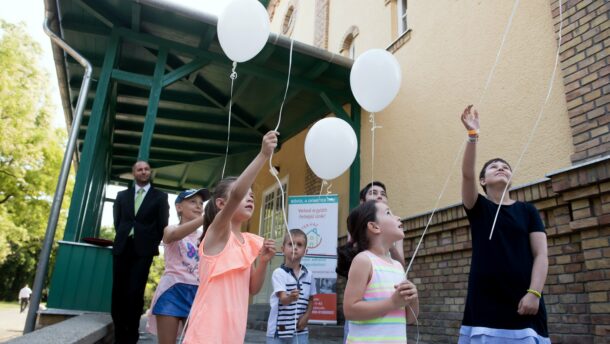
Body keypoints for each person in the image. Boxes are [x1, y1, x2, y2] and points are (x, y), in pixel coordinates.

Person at [458, 105, 550, 343]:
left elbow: (541, 255)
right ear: (483, 180)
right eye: (493, 167)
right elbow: (467, 174)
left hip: (525, 301)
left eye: (505, 167)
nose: (501, 168)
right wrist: (472, 136)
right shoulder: (477, 207)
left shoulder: (527, 210)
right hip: (484, 302)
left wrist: (534, 293)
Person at [183, 131, 278, 344]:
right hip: (205, 335)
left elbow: (252, 288)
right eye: (246, 192)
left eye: (252, 194)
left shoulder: (248, 242)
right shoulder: (216, 233)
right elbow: (236, 193)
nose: (250, 195)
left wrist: (262, 262)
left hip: (233, 335)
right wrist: (263, 154)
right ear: (221, 204)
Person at [342, 201, 419, 343]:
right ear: (374, 226)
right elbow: (349, 310)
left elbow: (410, 319)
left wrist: (413, 299)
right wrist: (392, 302)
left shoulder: (397, 266)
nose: (398, 217)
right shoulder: (364, 260)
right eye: (389, 213)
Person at [112, 161, 169, 344]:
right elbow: (118, 221)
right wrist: (125, 235)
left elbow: (162, 224)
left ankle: (131, 334)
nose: (143, 172)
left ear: (150, 172)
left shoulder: (160, 197)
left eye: (146, 169)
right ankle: (119, 333)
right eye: (140, 169)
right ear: (133, 173)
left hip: (143, 250)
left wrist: (150, 241)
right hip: (123, 247)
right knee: (118, 291)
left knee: (135, 291)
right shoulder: (122, 196)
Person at [146, 188, 210, 344]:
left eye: (201, 203)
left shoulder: (206, 235)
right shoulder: (171, 228)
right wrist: (206, 218)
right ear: (179, 207)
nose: (198, 206)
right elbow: (172, 236)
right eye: (192, 201)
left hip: (197, 292)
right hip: (171, 291)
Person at [266, 228, 316, 344]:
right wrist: (290, 297)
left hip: (300, 331)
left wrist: (307, 316)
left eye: (299, 245)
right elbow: (283, 299)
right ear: (283, 249)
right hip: (278, 332)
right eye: (291, 244)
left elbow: (311, 299)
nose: (295, 247)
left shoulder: (309, 275)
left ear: (305, 251)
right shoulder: (279, 273)